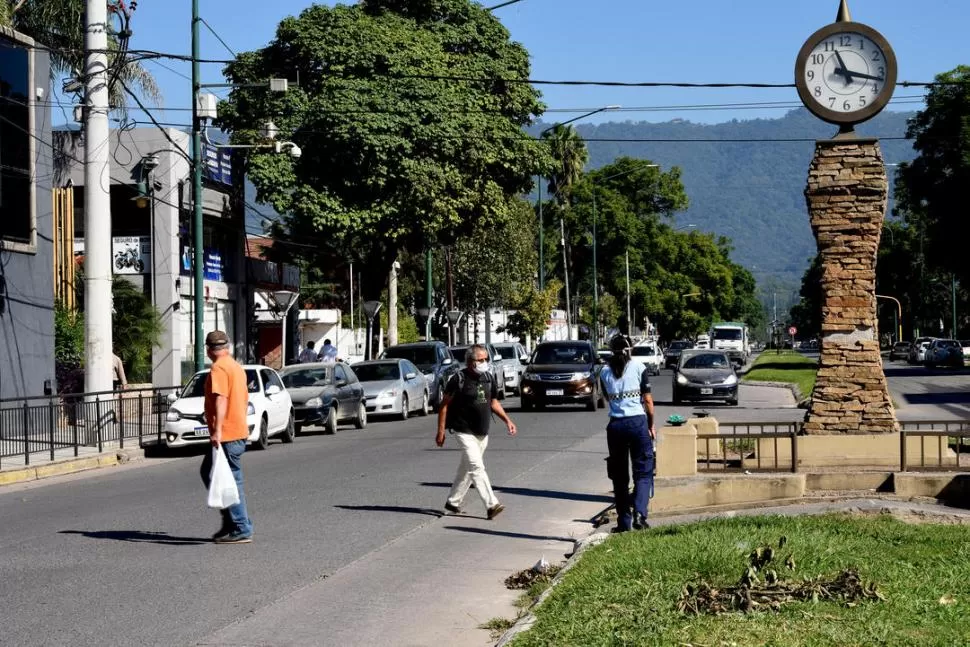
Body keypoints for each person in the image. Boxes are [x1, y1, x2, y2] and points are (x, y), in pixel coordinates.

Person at [436, 344, 517, 519]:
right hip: (463, 430)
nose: (484, 362)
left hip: (482, 431)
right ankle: (491, 504)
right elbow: (443, 406)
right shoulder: (458, 379)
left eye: (485, 359)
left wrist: (507, 421)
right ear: (471, 362)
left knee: (466, 468)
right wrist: (440, 431)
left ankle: (453, 501)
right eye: (481, 360)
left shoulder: (488, 377)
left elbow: (494, 402)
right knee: (476, 467)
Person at [199, 330, 254, 544]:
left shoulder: (219, 368)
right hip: (237, 430)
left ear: (208, 350)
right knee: (210, 473)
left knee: (231, 481)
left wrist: (217, 430)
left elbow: (221, 400)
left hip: (228, 434)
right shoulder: (235, 366)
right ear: (227, 347)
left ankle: (240, 527)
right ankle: (231, 520)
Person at [600, 334, 656, 533]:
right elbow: (648, 402)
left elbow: (608, 397)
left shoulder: (604, 372)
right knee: (643, 472)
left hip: (615, 426)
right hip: (637, 423)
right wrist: (651, 425)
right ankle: (640, 515)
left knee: (619, 476)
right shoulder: (639, 368)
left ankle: (624, 523)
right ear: (629, 349)